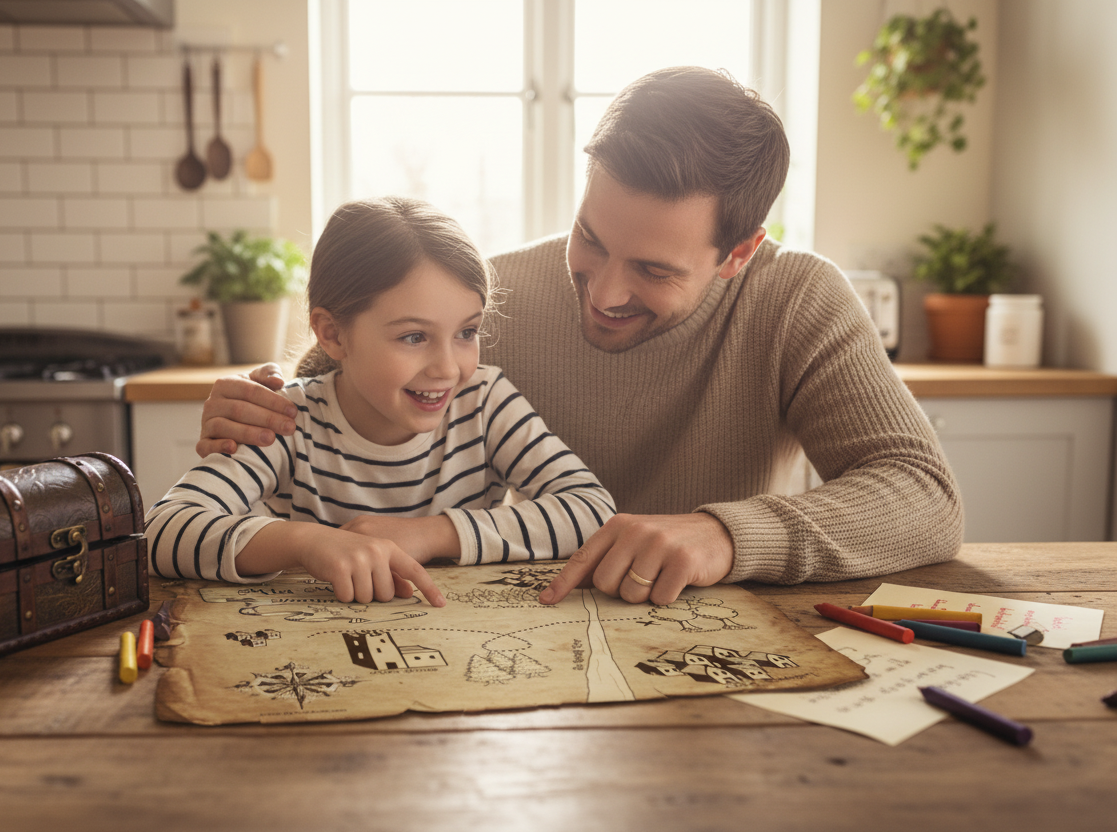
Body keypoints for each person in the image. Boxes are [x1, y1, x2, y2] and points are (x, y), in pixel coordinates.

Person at [193, 67, 964, 607]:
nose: (603, 292)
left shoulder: (797, 299)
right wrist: (264, 401)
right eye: (590, 237)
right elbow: (347, 381)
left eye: (653, 270)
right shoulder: (494, 297)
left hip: (732, 645)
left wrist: (726, 536)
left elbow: (924, 496)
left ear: (738, 254)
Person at [146, 197, 615, 607]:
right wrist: (306, 542)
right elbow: (161, 531)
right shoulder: (286, 420)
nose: (448, 368)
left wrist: (432, 534)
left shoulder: (485, 403)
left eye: (466, 332)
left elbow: (593, 511)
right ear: (333, 334)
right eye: (414, 337)